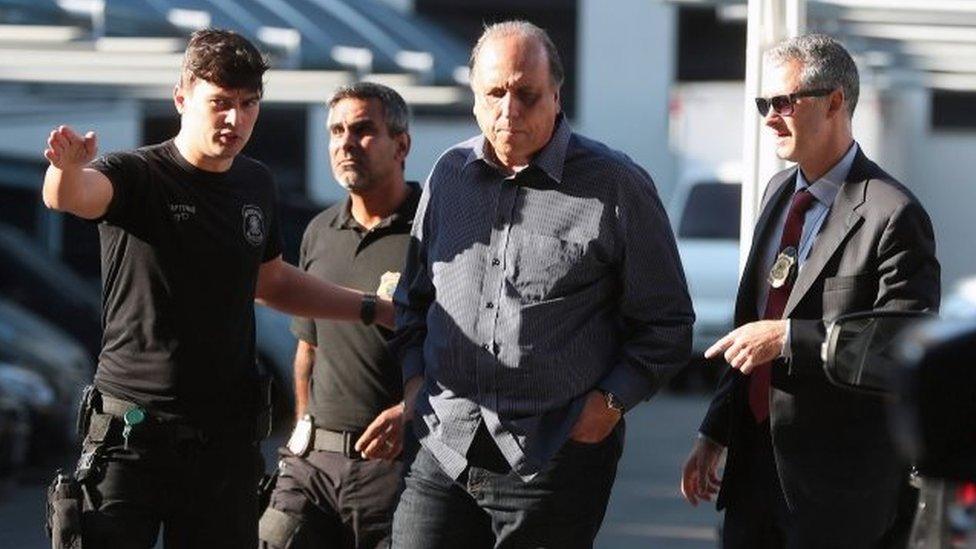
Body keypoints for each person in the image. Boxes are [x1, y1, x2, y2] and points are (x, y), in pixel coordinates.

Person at [41, 29, 392, 548]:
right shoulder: (139, 174)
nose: (236, 120)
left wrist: (372, 309)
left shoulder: (255, 183)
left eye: (249, 104)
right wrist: (65, 168)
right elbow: (72, 197)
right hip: (132, 436)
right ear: (182, 98)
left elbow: (270, 281)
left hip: (224, 445)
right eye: (220, 103)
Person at [390, 20, 694, 548]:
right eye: (495, 93)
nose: (509, 110)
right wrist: (415, 383)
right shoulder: (449, 174)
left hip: (552, 454)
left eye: (527, 94)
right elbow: (415, 297)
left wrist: (609, 406)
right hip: (446, 441)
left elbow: (666, 324)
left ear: (556, 95)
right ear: (474, 97)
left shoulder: (614, 184)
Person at [680, 34, 940, 548]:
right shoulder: (779, 194)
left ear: (836, 101)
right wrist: (716, 431)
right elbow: (749, 323)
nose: (770, 117)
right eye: (764, 104)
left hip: (837, 493)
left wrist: (788, 339)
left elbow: (902, 344)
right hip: (754, 476)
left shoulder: (892, 213)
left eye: (784, 102)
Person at [257, 82, 419, 549]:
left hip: (396, 472)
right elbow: (308, 349)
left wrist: (409, 412)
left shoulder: (437, 228)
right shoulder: (319, 230)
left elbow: (461, 347)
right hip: (311, 466)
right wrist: (299, 437)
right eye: (336, 130)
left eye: (363, 130)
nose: (345, 143)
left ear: (401, 143)